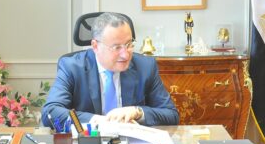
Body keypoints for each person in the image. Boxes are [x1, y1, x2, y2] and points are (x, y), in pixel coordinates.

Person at [41, 12, 178, 129]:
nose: (125, 55)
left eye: (129, 44)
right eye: (116, 47)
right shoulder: (72, 67)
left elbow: (171, 115)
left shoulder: (145, 66)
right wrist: (96, 121)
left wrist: (138, 112)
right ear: (95, 46)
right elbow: (51, 112)